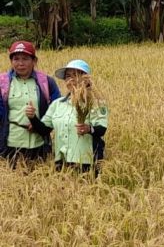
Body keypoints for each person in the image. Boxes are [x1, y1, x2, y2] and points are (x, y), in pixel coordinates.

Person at [28, 60, 108, 175]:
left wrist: (89, 129)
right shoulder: (57, 104)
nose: (71, 80)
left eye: (75, 75)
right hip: (62, 162)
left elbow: (101, 129)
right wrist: (32, 117)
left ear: (85, 79)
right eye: (67, 76)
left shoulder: (96, 103)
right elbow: (44, 129)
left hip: (87, 162)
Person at [0, 41, 61, 169]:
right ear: (11, 61)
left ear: (34, 61)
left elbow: (57, 110)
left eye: (25, 59)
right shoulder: (3, 83)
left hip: (39, 144)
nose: (20, 63)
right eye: (16, 59)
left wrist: (39, 125)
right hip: (10, 143)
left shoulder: (46, 82)